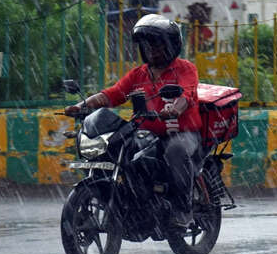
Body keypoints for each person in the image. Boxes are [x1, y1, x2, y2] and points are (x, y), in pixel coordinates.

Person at [65, 14, 202, 230]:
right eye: (147, 45)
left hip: (181, 133)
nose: (151, 49)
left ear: (172, 45)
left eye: (157, 44)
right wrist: (82, 106)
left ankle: (183, 210)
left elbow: (187, 94)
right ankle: (134, 203)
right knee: (122, 151)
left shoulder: (184, 69)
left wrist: (175, 109)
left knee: (175, 151)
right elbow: (113, 94)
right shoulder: (139, 74)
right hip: (147, 133)